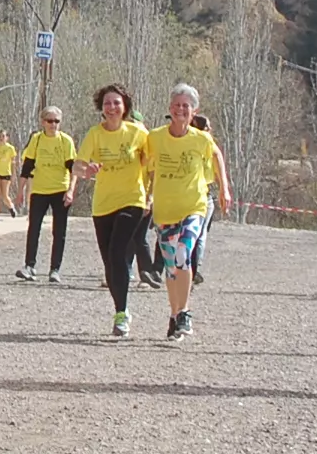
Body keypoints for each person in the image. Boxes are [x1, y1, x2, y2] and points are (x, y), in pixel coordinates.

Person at [146, 83, 230, 339]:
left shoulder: (201, 139)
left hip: (194, 207)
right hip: (165, 210)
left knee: (184, 253)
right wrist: (144, 194)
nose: (180, 110)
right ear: (169, 108)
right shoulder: (155, 137)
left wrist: (225, 189)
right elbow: (144, 165)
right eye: (177, 105)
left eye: (186, 106)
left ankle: (184, 312)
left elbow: (217, 156)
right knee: (171, 268)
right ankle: (174, 315)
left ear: (194, 111)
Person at [74, 84, 151, 337]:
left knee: (118, 252)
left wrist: (151, 195)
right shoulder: (95, 134)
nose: (112, 107)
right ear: (101, 107)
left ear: (125, 106)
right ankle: (122, 308)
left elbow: (152, 163)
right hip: (103, 204)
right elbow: (77, 166)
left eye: (116, 102)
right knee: (109, 261)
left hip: (132, 200)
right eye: (107, 103)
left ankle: (121, 314)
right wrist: (87, 170)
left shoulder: (138, 133)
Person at [14, 107, 76, 282]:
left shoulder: (66, 141)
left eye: (56, 121)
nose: (53, 125)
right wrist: (20, 192)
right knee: (34, 228)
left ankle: (55, 269)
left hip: (60, 189)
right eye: (50, 121)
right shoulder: (37, 140)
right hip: (40, 190)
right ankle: (29, 266)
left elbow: (73, 169)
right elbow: (27, 167)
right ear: (43, 122)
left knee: (59, 231)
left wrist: (70, 190)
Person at [187, 112, 224, 285]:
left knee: (197, 234)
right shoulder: (204, 143)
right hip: (197, 193)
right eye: (208, 126)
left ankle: (192, 268)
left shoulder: (202, 143)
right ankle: (192, 268)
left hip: (203, 192)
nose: (211, 129)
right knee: (199, 235)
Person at [0, 129, 18, 217]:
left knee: (5, 195)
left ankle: (11, 207)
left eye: (3, 136)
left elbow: (13, 162)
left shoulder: (10, 148)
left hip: (6, 173)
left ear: (7, 138)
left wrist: (14, 174)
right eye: (0, 136)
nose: (1, 138)